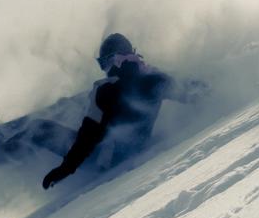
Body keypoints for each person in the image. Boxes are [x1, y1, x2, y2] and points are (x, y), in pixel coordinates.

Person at [41, 33, 197, 189]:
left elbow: (87, 137)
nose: (106, 70)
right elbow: (188, 90)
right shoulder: (154, 79)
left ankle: (22, 136)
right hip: (132, 149)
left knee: (41, 129)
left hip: (101, 161)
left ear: (118, 60)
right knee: (89, 107)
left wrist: (65, 169)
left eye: (106, 63)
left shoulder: (106, 91)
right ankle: (72, 106)